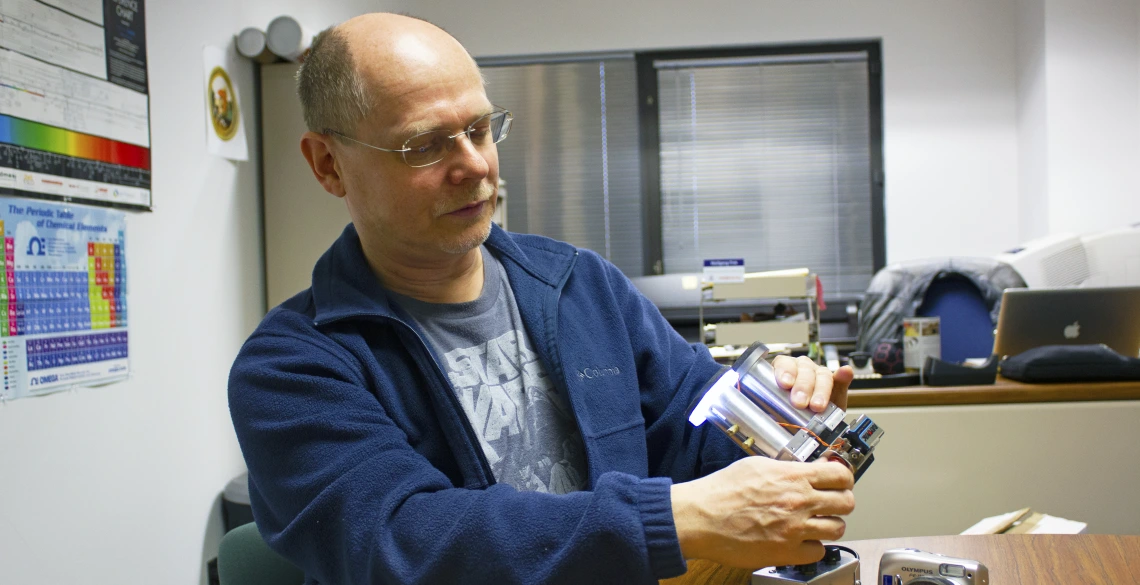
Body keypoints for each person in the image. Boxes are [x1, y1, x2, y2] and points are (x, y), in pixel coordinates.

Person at [228, 13, 856, 585]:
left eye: (480, 128)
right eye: (425, 145)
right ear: (328, 165)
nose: (474, 165)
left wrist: (785, 419)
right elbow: (404, 543)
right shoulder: (290, 370)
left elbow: (692, 432)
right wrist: (671, 519)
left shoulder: (580, 286)